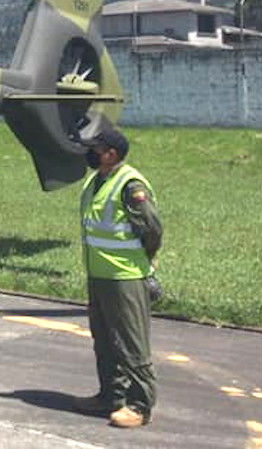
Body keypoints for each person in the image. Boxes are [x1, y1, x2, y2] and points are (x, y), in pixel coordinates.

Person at [72, 127, 163, 429]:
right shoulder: (97, 181)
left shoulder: (130, 185)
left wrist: (146, 260)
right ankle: (110, 396)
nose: (91, 153)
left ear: (111, 154)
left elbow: (151, 229)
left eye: (96, 149)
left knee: (131, 344)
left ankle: (140, 405)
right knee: (104, 341)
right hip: (99, 275)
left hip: (124, 276)